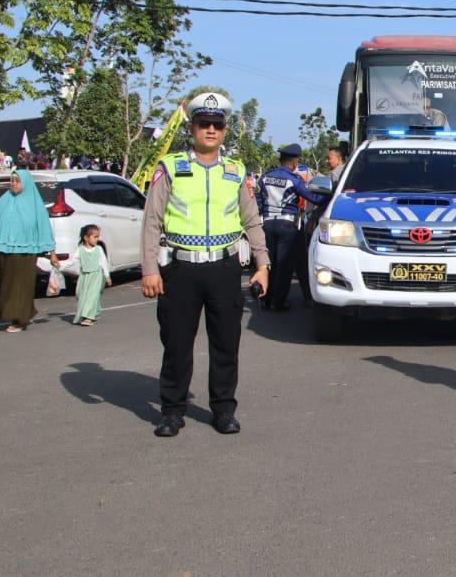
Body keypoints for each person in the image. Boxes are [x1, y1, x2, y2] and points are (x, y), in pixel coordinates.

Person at [141, 93, 270, 438]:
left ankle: (224, 410)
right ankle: (172, 411)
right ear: (192, 128)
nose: (210, 130)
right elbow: (152, 220)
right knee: (177, 344)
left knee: (226, 343)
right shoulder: (170, 167)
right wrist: (149, 268)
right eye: (204, 124)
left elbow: (252, 220)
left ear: (224, 131)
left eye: (217, 125)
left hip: (224, 268)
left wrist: (263, 264)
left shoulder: (236, 172)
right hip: (181, 269)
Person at [0, 169, 60, 332]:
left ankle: (19, 319)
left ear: (25, 183)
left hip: (24, 252)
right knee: (6, 284)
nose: (14, 184)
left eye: (17, 181)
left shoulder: (35, 204)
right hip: (2, 249)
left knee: (20, 284)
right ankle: (16, 314)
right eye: (12, 180)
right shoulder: (5, 199)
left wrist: (52, 253)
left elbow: (44, 228)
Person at [256, 143, 325, 312]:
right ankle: (278, 302)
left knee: (269, 263)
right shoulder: (294, 180)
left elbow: (258, 202)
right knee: (284, 265)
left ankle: (266, 299)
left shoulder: (264, 177)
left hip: (267, 224)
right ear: (294, 162)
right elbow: (314, 198)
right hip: (287, 226)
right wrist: (330, 198)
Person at [60, 224, 111, 326]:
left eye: (98, 237)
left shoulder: (99, 249)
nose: (97, 239)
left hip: (96, 276)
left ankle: (88, 317)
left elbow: (104, 263)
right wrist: (60, 266)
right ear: (86, 238)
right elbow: (71, 261)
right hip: (84, 277)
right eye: (95, 237)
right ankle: (92, 312)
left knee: (92, 295)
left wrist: (107, 276)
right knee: (81, 296)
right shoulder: (80, 249)